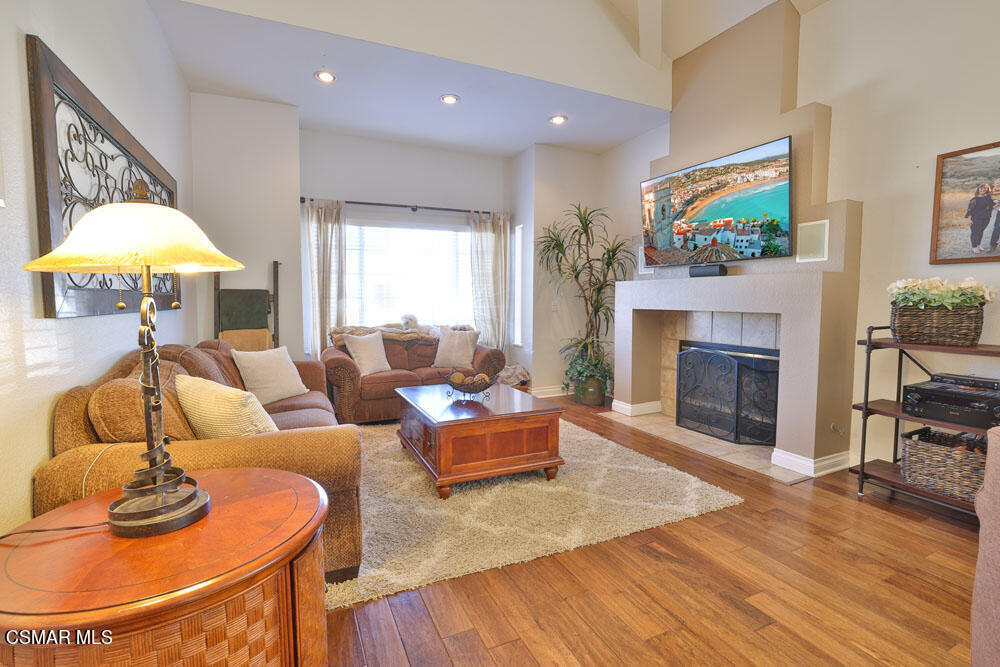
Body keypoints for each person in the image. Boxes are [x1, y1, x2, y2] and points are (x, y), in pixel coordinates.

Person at [965, 183, 997, 254]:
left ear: (987, 190)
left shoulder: (988, 198)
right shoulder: (974, 199)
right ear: (978, 189)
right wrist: (969, 220)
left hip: (986, 218)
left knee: (981, 231)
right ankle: (974, 247)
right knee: (975, 232)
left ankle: (978, 245)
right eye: (981, 188)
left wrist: (997, 203)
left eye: (985, 188)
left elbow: (992, 207)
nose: (982, 190)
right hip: (976, 218)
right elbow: (970, 210)